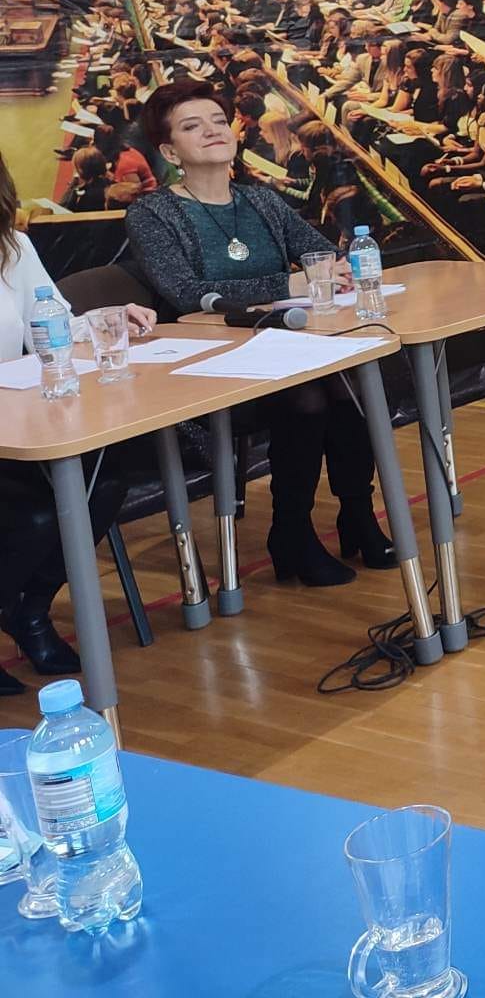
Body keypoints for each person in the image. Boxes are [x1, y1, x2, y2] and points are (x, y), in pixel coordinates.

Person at [123, 80, 395, 587]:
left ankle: (357, 513)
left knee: (350, 382)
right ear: (170, 152)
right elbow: (185, 293)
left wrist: (332, 269)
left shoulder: (260, 200)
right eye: (192, 126)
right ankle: (291, 531)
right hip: (206, 363)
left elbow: (320, 256)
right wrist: (288, 283)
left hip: (280, 343)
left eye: (218, 121)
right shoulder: (151, 213)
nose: (213, 131)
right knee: (308, 397)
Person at [0, 151, 156, 694]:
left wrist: (106, 321)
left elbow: (52, 323)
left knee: (103, 485)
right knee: (38, 516)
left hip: (17, 425)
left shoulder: (13, 247)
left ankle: (30, 611)